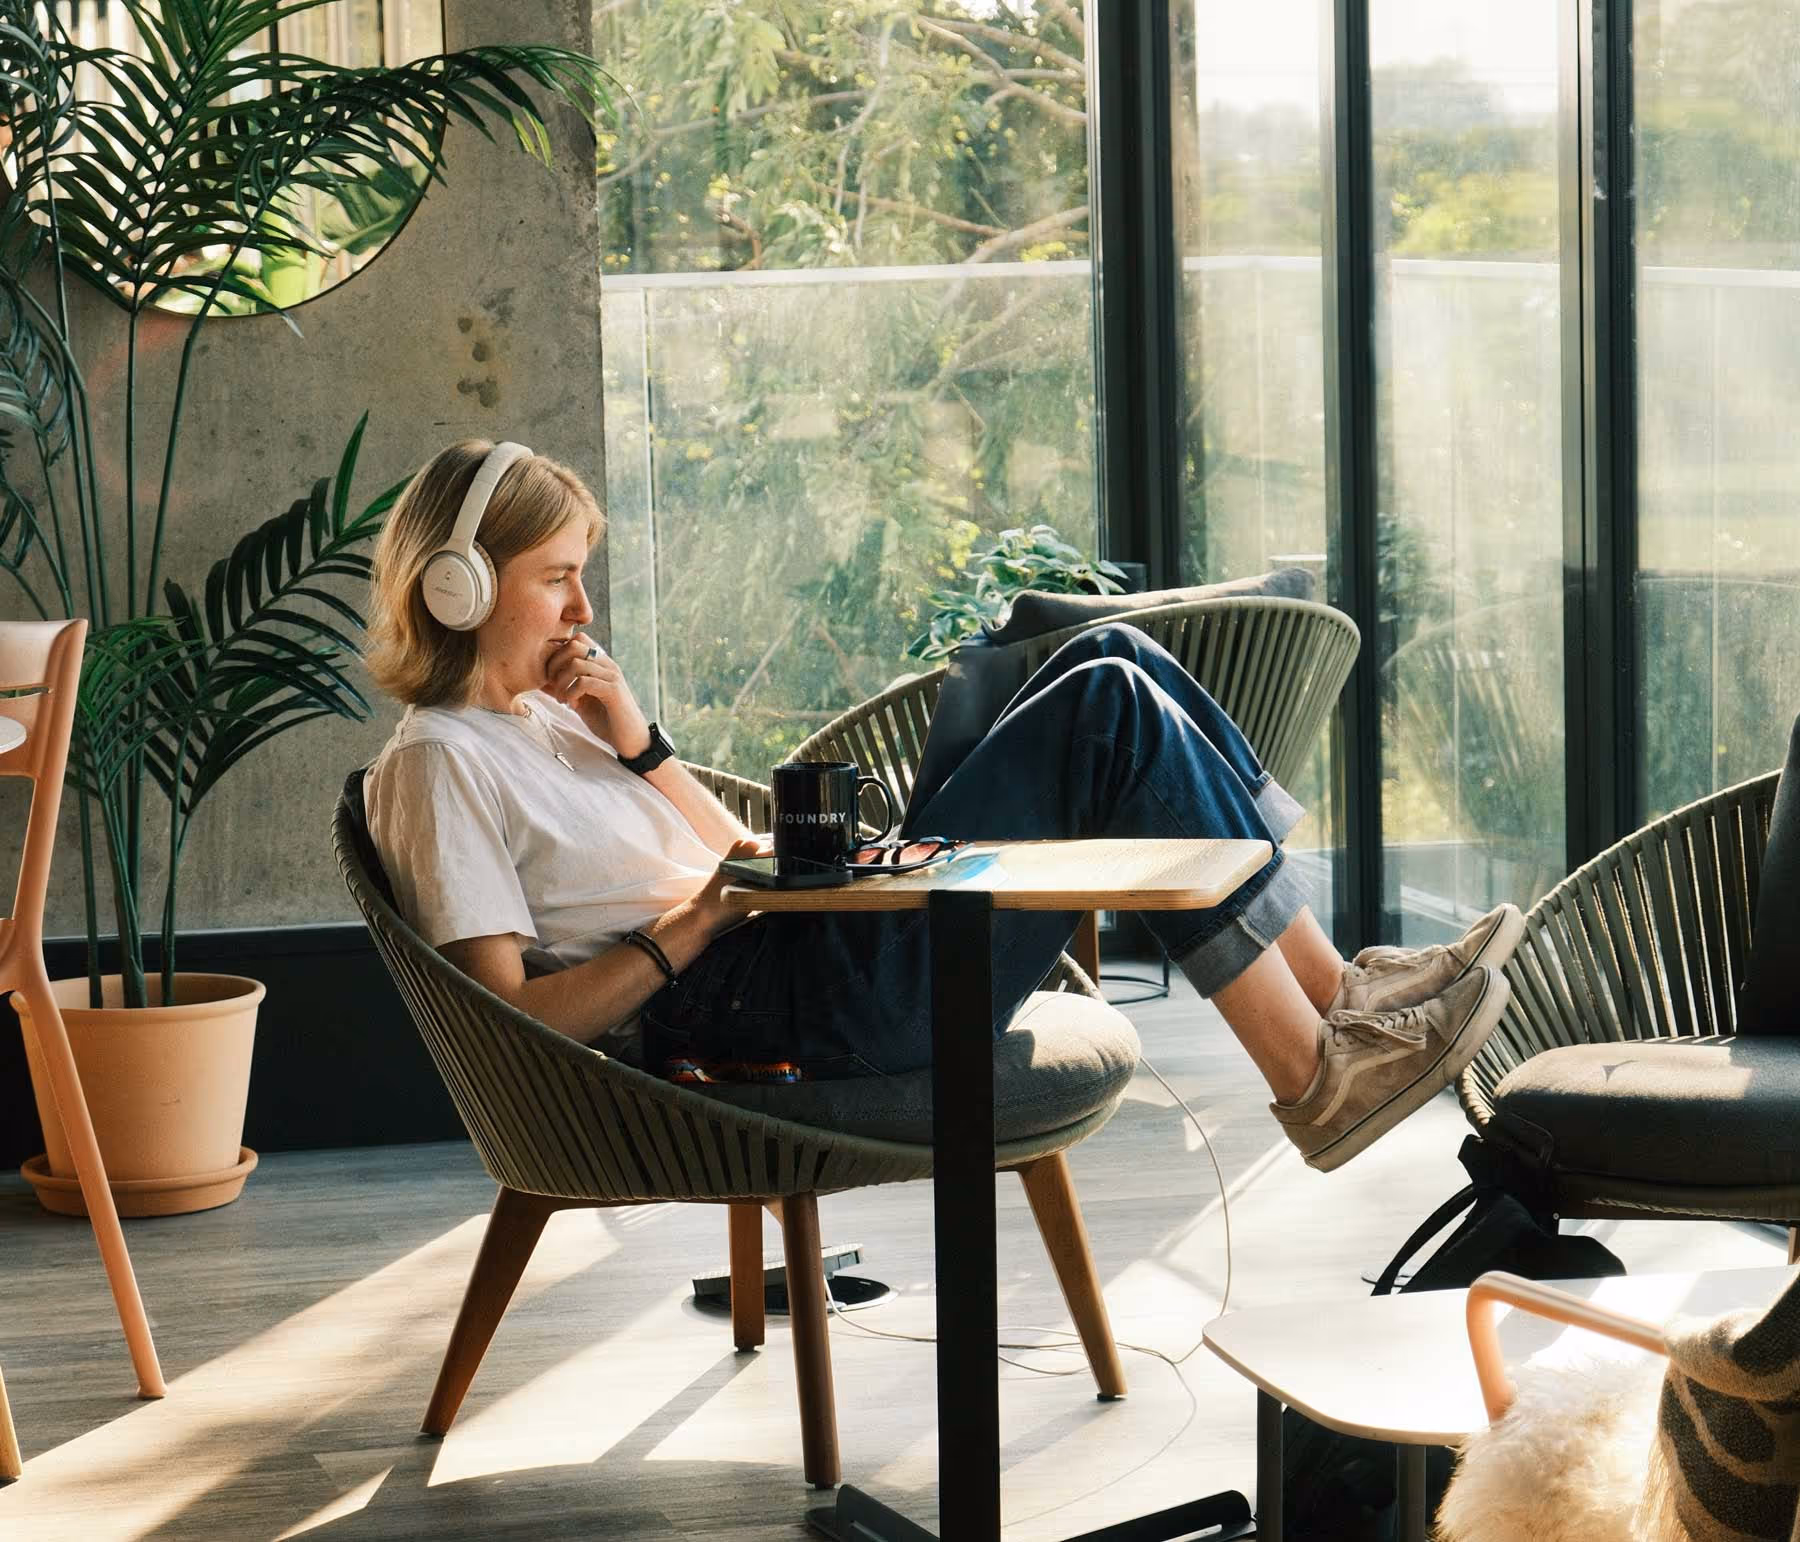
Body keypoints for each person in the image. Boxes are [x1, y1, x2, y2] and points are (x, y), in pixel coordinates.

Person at [361, 440, 1524, 1172]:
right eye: (557, 575)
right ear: (458, 589)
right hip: (764, 1014)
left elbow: (739, 856)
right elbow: (520, 1019)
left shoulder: (555, 720)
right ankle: (1314, 1076)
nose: (581, 604)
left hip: (807, 951)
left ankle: (1345, 998)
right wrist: (705, 920)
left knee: (1102, 658)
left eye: (581, 573)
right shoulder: (437, 764)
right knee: (1106, 700)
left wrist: (646, 749)